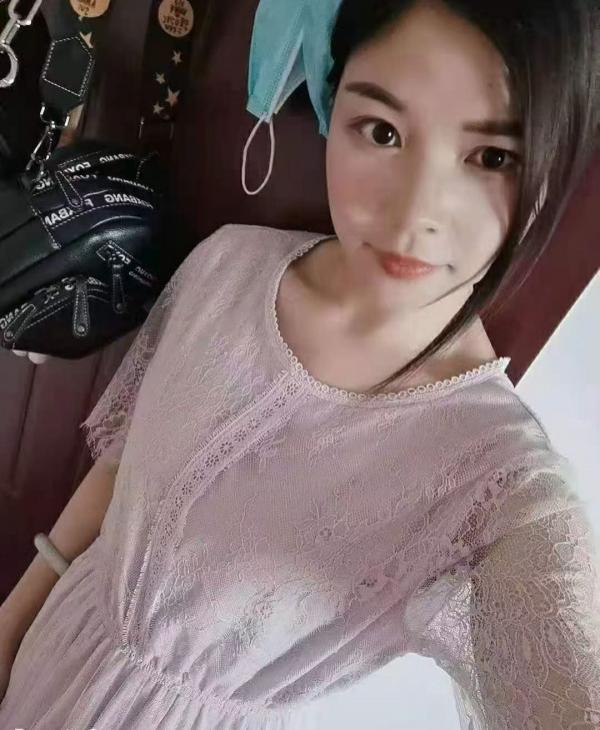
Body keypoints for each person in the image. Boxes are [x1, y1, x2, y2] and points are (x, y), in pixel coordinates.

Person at [1, 0, 599, 728]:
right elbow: (124, 467)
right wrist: (11, 625)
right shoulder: (227, 265)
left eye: (493, 157)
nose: (415, 213)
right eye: (382, 132)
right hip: (49, 658)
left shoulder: (499, 478)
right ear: (332, 103)